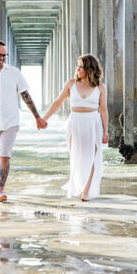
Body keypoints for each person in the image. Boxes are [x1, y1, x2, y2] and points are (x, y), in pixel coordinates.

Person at [0, 40, 47, 202]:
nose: (2, 58)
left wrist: (37, 117)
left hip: (10, 122)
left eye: (4, 55)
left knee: (4, 155)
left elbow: (25, 95)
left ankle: (1, 191)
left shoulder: (14, 73)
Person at [42, 54, 108, 201]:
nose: (78, 69)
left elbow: (103, 110)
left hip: (93, 123)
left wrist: (105, 131)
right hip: (75, 122)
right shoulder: (71, 84)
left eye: (81, 66)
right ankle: (78, 187)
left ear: (89, 69)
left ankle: (85, 191)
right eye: (77, 66)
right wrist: (43, 119)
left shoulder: (100, 87)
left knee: (92, 157)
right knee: (76, 157)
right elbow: (57, 102)